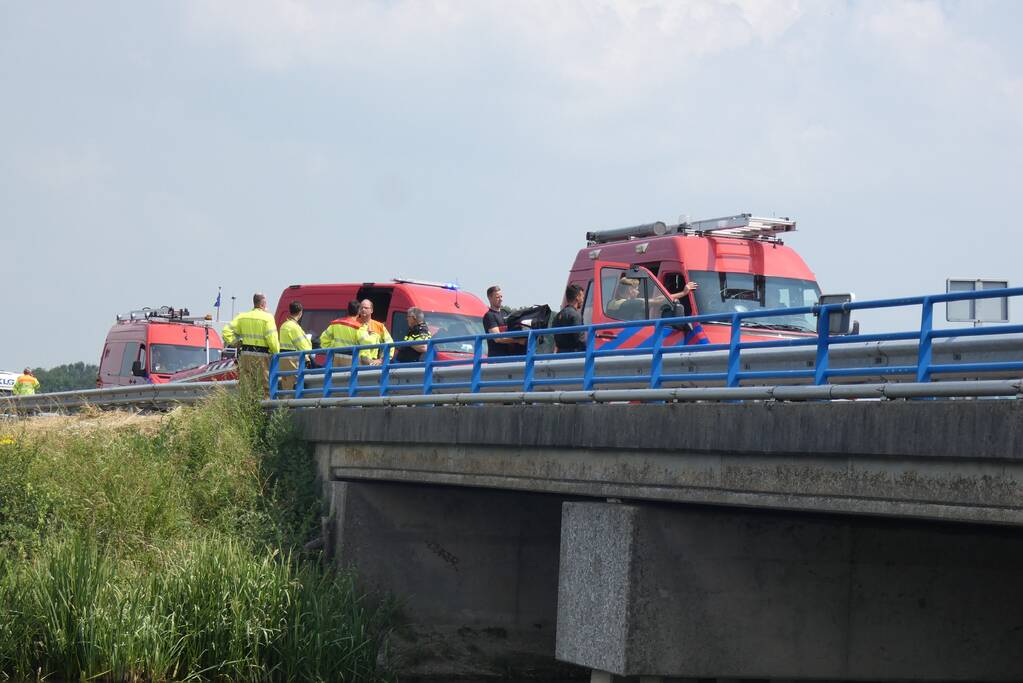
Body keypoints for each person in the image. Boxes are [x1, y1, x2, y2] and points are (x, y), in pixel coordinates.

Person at [222, 293, 280, 396]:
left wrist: (236, 343)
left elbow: (226, 331)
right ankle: (264, 409)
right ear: (263, 304)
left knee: (247, 385)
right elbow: (272, 340)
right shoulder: (268, 318)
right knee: (264, 386)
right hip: (262, 357)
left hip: (245, 355)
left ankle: (247, 408)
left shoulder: (242, 317)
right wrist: (276, 353)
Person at [278, 301, 312, 392]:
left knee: (286, 387)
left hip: (283, 360)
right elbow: (304, 347)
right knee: (294, 387)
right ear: (300, 313)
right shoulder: (294, 327)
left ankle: (285, 405)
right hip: (293, 361)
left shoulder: (284, 325)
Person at [483, 285, 525, 357]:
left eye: (501, 297)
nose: (501, 299)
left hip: (510, 356)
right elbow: (498, 338)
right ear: (489, 298)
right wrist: (518, 340)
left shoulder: (506, 313)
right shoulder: (489, 316)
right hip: (497, 358)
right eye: (497, 297)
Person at [320, 300, 362, 366]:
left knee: (335, 376)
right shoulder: (358, 327)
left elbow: (323, 338)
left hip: (336, 357)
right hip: (351, 359)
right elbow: (366, 343)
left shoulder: (336, 323)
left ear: (348, 310)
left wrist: (332, 349)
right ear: (359, 311)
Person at [356, 299, 393, 365]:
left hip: (371, 364)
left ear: (371, 310)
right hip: (355, 363)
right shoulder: (354, 324)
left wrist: (382, 360)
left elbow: (390, 344)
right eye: (361, 308)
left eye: (366, 308)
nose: (363, 309)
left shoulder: (379, 326)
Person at [553, 284, 587, 353]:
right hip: (573, 356)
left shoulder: (557, 316)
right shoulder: (575, 315)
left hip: (560, 356)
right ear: (577, 297)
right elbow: (580, 340)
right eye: (582, 297)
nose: (583, 300)